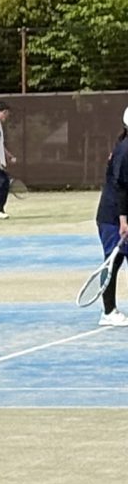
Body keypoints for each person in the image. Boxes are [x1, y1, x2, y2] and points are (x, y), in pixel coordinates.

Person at [98, 107, 128, 329]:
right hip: (112, 217)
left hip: (120, 213)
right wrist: (123, 220)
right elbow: (121, 187)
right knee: (113, 261)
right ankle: (108, 312)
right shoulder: (125, 150)